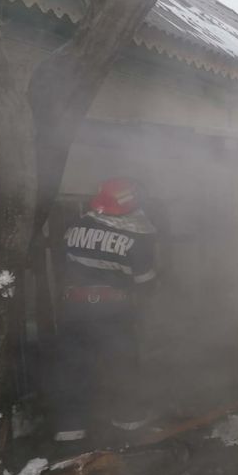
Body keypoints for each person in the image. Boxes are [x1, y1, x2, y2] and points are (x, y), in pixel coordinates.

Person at [52, 177, 157, 445]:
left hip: (73, 308)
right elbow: (145, 283)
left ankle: (70, 428)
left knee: (73, 366)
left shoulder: (76, 226)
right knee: (122, 364)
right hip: (112, 310)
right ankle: (129, 422)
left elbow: (66, 264)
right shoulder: (136, 236)